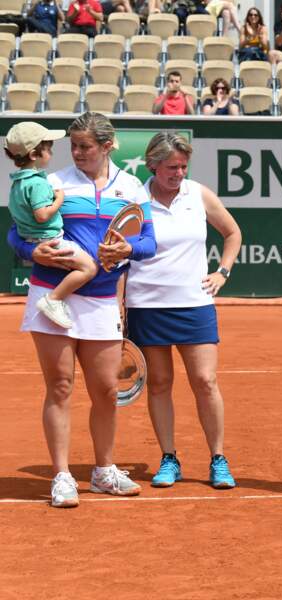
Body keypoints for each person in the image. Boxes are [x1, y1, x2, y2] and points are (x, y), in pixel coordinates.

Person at [6, 112, 156, 508]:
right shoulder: (52, 182)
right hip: (51, 294)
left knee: (106, 391)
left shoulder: (132, 187)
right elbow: (15, 231)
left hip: (103, 298)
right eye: (73, 145)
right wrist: (28, 249)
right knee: (59, 387)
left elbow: (149, 243)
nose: (76, 153)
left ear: (107, 146)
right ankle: (61, 475)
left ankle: (105, 471)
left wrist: (128, 249)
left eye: (85, 146)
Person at [126, 132, 240, 490]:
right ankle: (169, 457)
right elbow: (120, 255)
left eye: (183, 166)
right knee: (160, 384)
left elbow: (232, 232)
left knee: (205, 382)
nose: (179, 173)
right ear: (153, 166)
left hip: (194, 304)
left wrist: (223, 271)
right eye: (172, 167)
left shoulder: (198, 193)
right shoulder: (134, 200)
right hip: (146, 304)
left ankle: (218, 459)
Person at [5, 123, 96, 330]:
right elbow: (42, 215)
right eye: (48, 148)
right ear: (34, 154)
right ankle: (53, 299)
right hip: (50, 241)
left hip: (37, 239)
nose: (51, 152)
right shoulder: (36, 183)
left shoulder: (18, 182)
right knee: (89, 268)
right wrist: (59, 200)